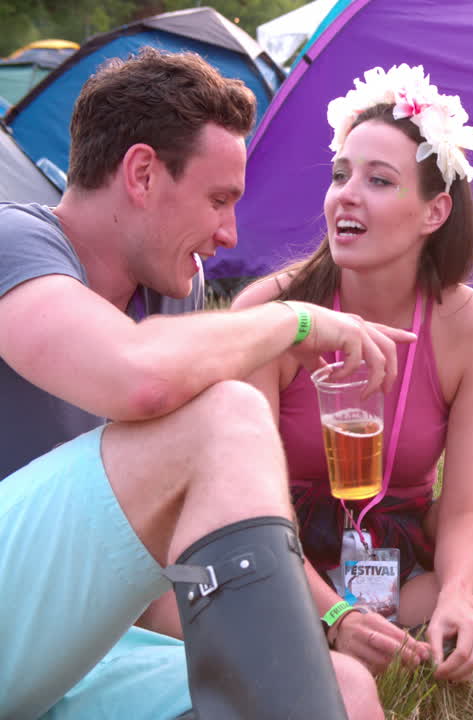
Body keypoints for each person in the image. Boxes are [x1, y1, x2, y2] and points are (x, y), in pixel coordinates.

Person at [0, 49, 406, 719]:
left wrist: (325, 621)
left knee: (348, 689)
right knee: (227, 414)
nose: (229, 233)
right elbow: (135, 378)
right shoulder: (15, 241)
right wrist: (294, 320)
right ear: (141, 173)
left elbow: (143, 566)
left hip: (74, 651)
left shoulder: (171, 298)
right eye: (219, 200)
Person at [232, 64, 473, 687]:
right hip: (278, 567)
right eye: (340, 175)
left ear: (435, 211)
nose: (345, 195)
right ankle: (393, 662)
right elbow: (248, 506)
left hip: (395, 570)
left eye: (378, 180)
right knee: (173, 598)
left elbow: (465, 512)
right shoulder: (268, 315)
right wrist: (332, 612)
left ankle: (408, 651)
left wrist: (457, 599)